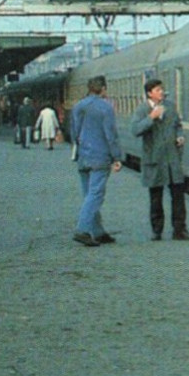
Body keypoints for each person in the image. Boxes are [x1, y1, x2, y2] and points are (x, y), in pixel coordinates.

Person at [130, 78, 189, 242]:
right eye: (158, 90)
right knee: (156, 197)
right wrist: (151, 118)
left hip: (172, 159)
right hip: (154, 159)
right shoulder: (142, 109)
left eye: (162, 89)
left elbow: (178, 125)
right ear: (149, 93)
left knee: (178, 196)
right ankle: (157, 231)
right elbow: (135, 130)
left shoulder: (170, 107)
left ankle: (180, 230)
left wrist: (180, 136)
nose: (162, 92)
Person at [69, 75, 123, 247]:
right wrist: (116, 157)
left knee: (89, 195)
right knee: (96, 195)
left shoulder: (79, 106)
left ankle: (98, 232)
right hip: (100, 157)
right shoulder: (105, 108)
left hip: (83, 156)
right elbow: (110, 135)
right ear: (103, 89)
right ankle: (83, 230)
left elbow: (74, 132)